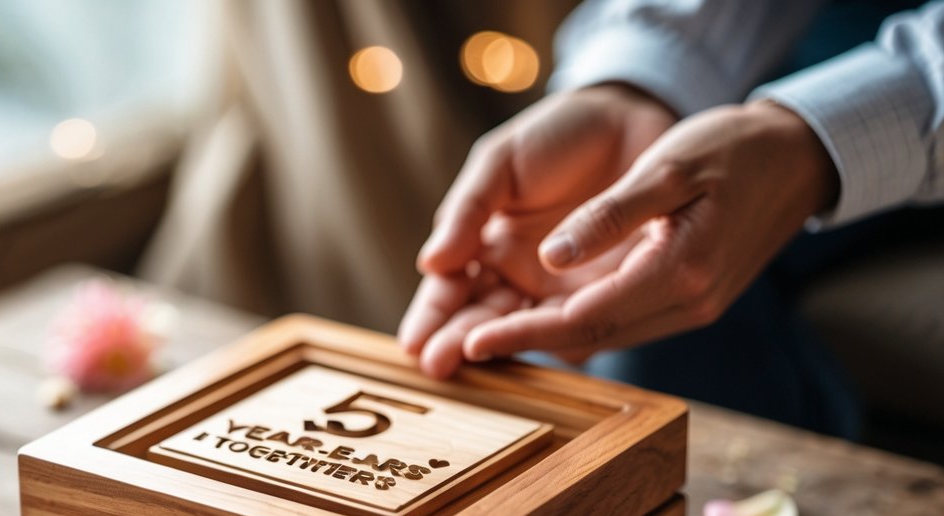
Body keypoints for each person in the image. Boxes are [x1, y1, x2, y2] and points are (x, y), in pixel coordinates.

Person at [398, 0, 944, 439]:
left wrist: (810, 143)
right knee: (608, 323)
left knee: (644, 336)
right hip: (787, 68)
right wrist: (634, 86)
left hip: (905, 105)